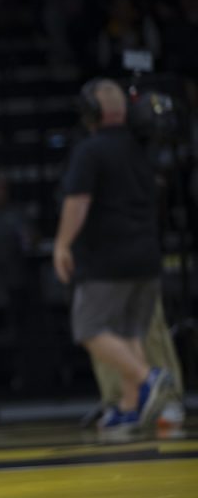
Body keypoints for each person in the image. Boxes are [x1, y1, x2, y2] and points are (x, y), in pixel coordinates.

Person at [53, 79, 175, 435]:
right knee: (128, 333)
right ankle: (129, 407)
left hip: (108, 258)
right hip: (147, 257)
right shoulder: (142, 148)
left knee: (89, 328)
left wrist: (62, 245)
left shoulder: (90, 151)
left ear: (90, 113)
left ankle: (147, 378)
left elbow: (77, 203)